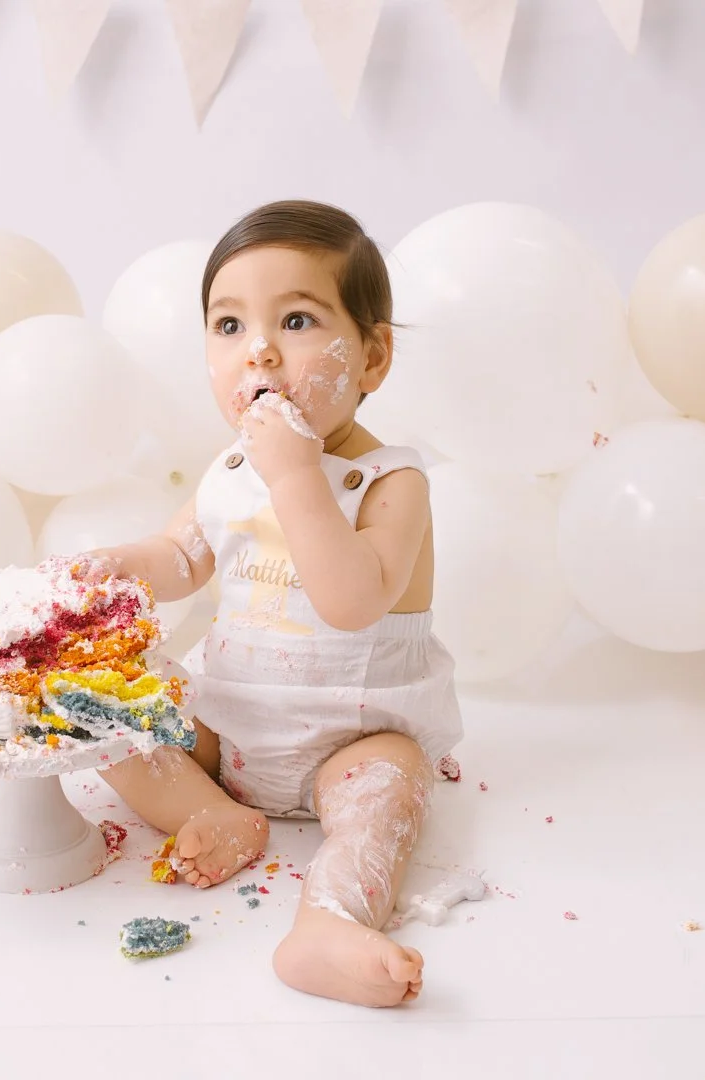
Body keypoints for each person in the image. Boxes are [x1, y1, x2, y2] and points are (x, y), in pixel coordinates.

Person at [67, 199, 462, 1008]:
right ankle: (211, 811)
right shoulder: (229, 470)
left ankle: (327, 922)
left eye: (296, 320)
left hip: (353, 736)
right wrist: (110, 568)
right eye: (229, 326)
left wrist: (293, 475)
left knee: (385, 791)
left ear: (372, 357)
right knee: (99, 705)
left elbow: (353, 599)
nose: (262, 353)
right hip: (230, 720)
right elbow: (181, 557)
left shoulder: (392, 483)